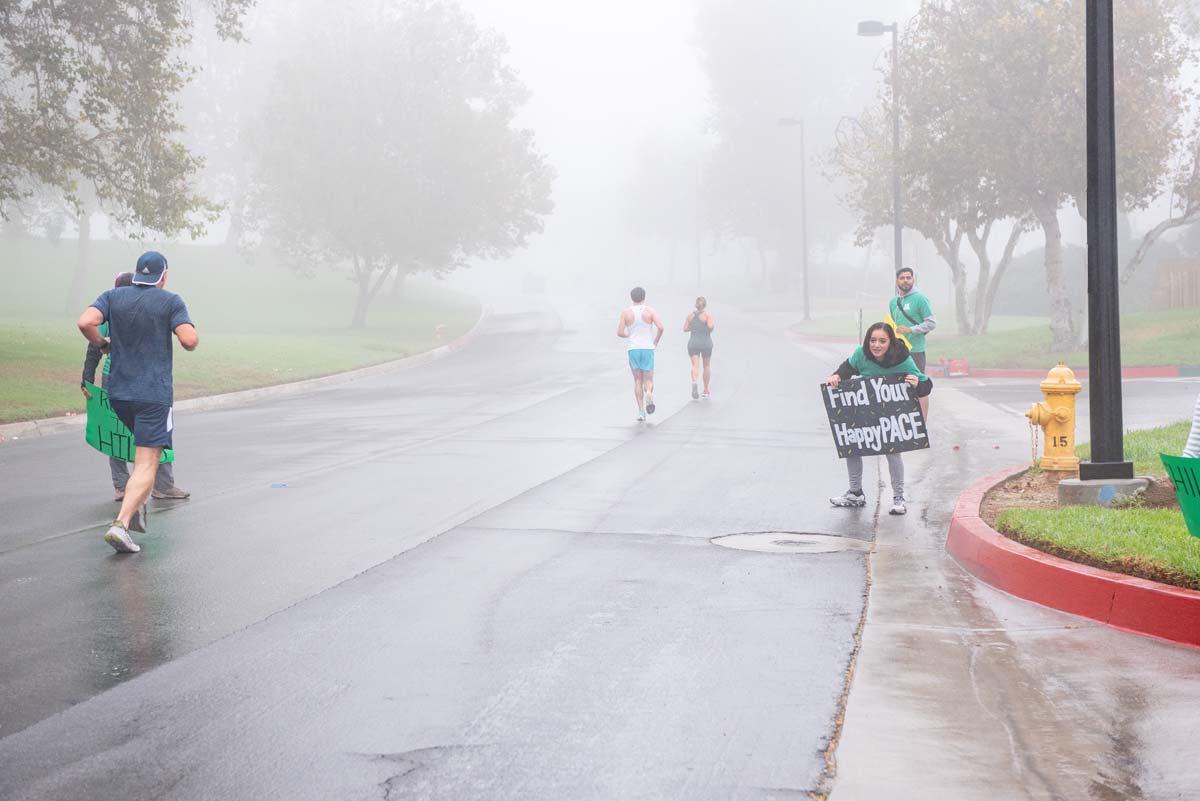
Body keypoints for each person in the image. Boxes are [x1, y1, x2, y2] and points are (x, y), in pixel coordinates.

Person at [77, 251, 199, 553]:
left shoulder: (112, 297)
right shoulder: (171, 301)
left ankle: (133, 509)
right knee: (147, 461)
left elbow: (85, 322)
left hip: (119, 393)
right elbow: (189, 341)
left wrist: (103, 343)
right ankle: (121, 524)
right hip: (152, 395)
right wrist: (186, 330)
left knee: (142, 454)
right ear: (164, 276)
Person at [81, 271, 190, 502]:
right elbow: (94, 345)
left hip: (144, 379)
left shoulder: (139, 308)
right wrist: (87, 378)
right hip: (117, 378)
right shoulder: (112, 311)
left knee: (152, 433)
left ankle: (161, 485)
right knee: (119, 433)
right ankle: (124, 487)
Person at [826, 322, 933, 516]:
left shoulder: (902, 358)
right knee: (852, 444)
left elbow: (926, 385)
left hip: (891, 414)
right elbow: (846, 369)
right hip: (866, 408)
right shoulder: (861, 354)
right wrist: (836, 376)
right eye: (873, 340)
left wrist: (917, 383)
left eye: (882, 341)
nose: (876, 345)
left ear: (890, 342)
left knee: (892, 453)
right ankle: (855, 493)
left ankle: (899, 497)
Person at [617, 286, 663, 422]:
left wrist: (629, 335)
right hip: (647, 348)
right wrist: (655, 341)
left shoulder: (626, 313)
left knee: (637, 380)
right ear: (644, 297)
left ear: (631, 298)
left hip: (633, 349)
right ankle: (648, 392)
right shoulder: (650, 311)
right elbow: (661, 327)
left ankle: (641, 412)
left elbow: (619, 332)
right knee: (648, 380)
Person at [889, 267, 936, 375]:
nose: (905, 280)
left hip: (915, 351)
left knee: (917, 385)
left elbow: (931, 323)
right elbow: (893, 325)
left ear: (913, 280)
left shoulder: (920, 298)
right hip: (897, 351)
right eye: (902, 278)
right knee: (898, 385)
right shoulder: (893, 302)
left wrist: (911, 329)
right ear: (897, 281)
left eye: (908, 278)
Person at [683, 297, 714, 400]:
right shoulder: (707, 316)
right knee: (706, 366)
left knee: (695, 365)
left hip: (693, 343)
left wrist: (694, 327)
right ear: (705, 305)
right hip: (705, 343)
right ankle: (705, 390)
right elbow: (710, 327)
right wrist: (707, 326)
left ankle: (694, 382)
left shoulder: (690, 316)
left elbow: (685, 329)